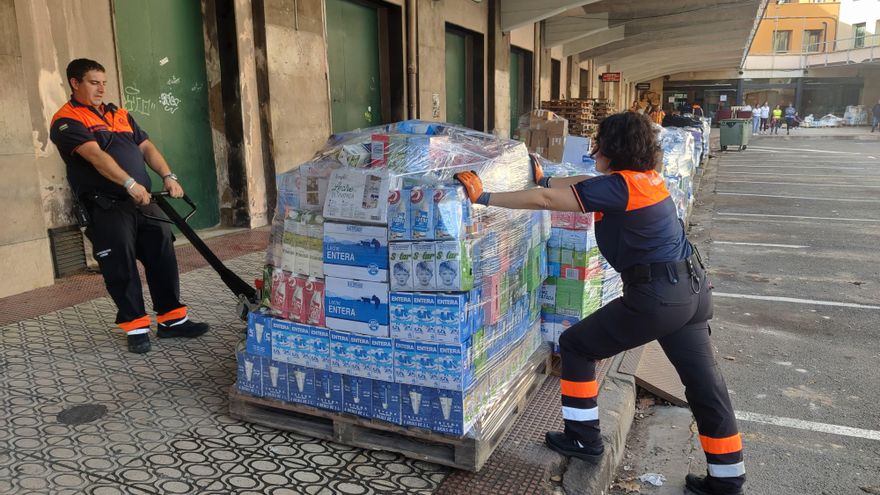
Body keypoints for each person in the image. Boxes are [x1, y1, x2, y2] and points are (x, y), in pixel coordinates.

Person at [454, 112, 745, 495]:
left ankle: (583, 438)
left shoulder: (620, 188)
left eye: (599, 143)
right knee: (706, 386)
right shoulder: (643, 180)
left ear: (614, 148)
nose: (594, 149)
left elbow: (546, 200)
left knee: (576, 345)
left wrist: (484, 197)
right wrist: (547, 177)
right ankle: (727, 479)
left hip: (656, 297)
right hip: (692, 290)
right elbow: (583, 185)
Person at [49, 58, 210, 354]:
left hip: (144, 200)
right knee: (120, 264)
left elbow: (146, 147)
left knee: (162, 252)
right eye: (93, 82)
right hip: (107, 205)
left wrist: (168, 175)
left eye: (104, 82)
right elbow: (95, 157)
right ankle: (136, 326)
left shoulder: (119, 114)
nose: (101, 88)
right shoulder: (66, 120)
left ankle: (172, 321)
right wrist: (129, 184)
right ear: (75, 83)